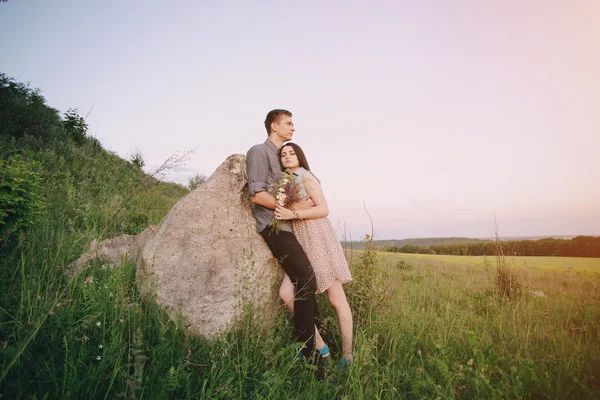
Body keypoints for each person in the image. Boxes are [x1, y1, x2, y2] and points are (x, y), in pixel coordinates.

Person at [246, 109, 318, 359]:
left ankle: (317, 346)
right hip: (273, 227)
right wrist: (292, 206)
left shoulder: (282, 159)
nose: (293, 127)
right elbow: (257, 194)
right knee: (307, 279)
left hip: (289, 228)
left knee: (307, 282)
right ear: (274, 126)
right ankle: (305, 352)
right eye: (289, 123)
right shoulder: (258, 151)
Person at [274, 142, 354, 365]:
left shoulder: (306, 176)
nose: (287, 157)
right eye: (283, 155)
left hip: (317, 238)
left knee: (335, 298)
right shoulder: (285, 182)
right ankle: (319, 345)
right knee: (286, 294)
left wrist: (294, 213)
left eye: (292, 153)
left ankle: (348, 356)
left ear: (300, 156)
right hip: (299, 242)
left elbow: (323, 209)